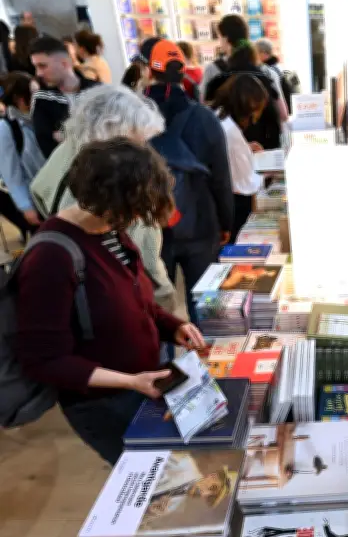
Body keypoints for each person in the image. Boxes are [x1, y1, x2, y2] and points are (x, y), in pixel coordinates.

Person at [15, 138, 205, 465]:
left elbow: (135, 300)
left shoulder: (110, 232)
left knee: (173, 469)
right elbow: (44, 359)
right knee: (156, 480)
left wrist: (173, 327)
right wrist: (131, 381)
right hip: (104, 403)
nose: (137, 219)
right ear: (112, 203)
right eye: (134, 210)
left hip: (143, 384)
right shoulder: (51, 258)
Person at [29, 84, 176, 311]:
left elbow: (38, 189)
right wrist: (165, 296)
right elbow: (145, 255)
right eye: (136, 140)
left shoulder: (66, 153)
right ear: (113, 131)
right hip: (122, 297)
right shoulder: (114, 178)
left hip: (88, 287)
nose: (142, 148)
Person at [138, 38, 234, 319]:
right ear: (184, 71)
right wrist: (225, 223)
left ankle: (165, 360)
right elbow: (221, 178)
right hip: (201, 221)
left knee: (156, 309)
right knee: (206, 304)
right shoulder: (205, 118)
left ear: (147, 70)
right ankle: (208, 357)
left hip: (151, 226)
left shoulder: (132, 118)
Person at [202, 16, 284, 149]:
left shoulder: (214, 71)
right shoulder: (266, 72)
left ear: (226, 38)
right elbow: (283, 114)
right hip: (266, 149)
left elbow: (205, 114)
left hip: (229, 150)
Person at [209, 74, 268, 239]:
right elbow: (245, 183)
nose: (254, 119)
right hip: (233, 205)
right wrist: (266, 177)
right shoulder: (230, 131)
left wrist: (245, 149)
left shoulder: (217, 115)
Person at [29, 36, 99, 158]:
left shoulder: (98, 91)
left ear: (64, 63)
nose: (38, 73)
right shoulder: (42, 99)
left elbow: (111, 135)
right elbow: (48, 148)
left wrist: (66, 137)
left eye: (43, 66)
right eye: (36, 67)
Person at [0, 72, 45, 241]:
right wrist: (26, 207)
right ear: (19, 98)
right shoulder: (7, 128)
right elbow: (11, 173)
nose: (38, 97)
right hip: (36, 201)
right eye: (33, 93)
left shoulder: (39, 119)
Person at [253, 38, 291, 117]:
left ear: (263, 53)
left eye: (255, 53)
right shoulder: (277, 67)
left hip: (278, 114)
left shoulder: (269, 71)